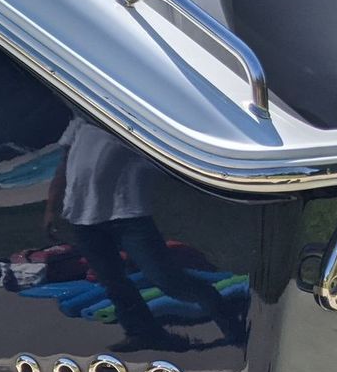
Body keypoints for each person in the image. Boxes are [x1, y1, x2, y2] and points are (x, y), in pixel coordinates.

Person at [45, 114, 243, 351]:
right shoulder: (82, 120)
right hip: (83, 218)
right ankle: (143, 333)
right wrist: (51, 208)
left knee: (167, 279)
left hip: (128, 214)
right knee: (113, 282)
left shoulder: (132, 115)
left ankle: (233, 327)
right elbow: (64, 164)